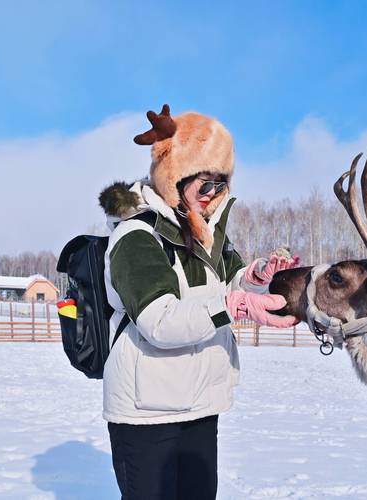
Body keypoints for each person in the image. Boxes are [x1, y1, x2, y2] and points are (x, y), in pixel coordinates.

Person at [97, 104, 299, 500]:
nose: (212, 196)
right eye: (204, 184)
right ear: (175, 178)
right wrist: (235, 305)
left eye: (220, 185)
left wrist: (260, 276)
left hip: (200, 403)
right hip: (147, 413)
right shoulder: (136, 237)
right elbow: (160, 321)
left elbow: (234, 280)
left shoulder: (205, 234)